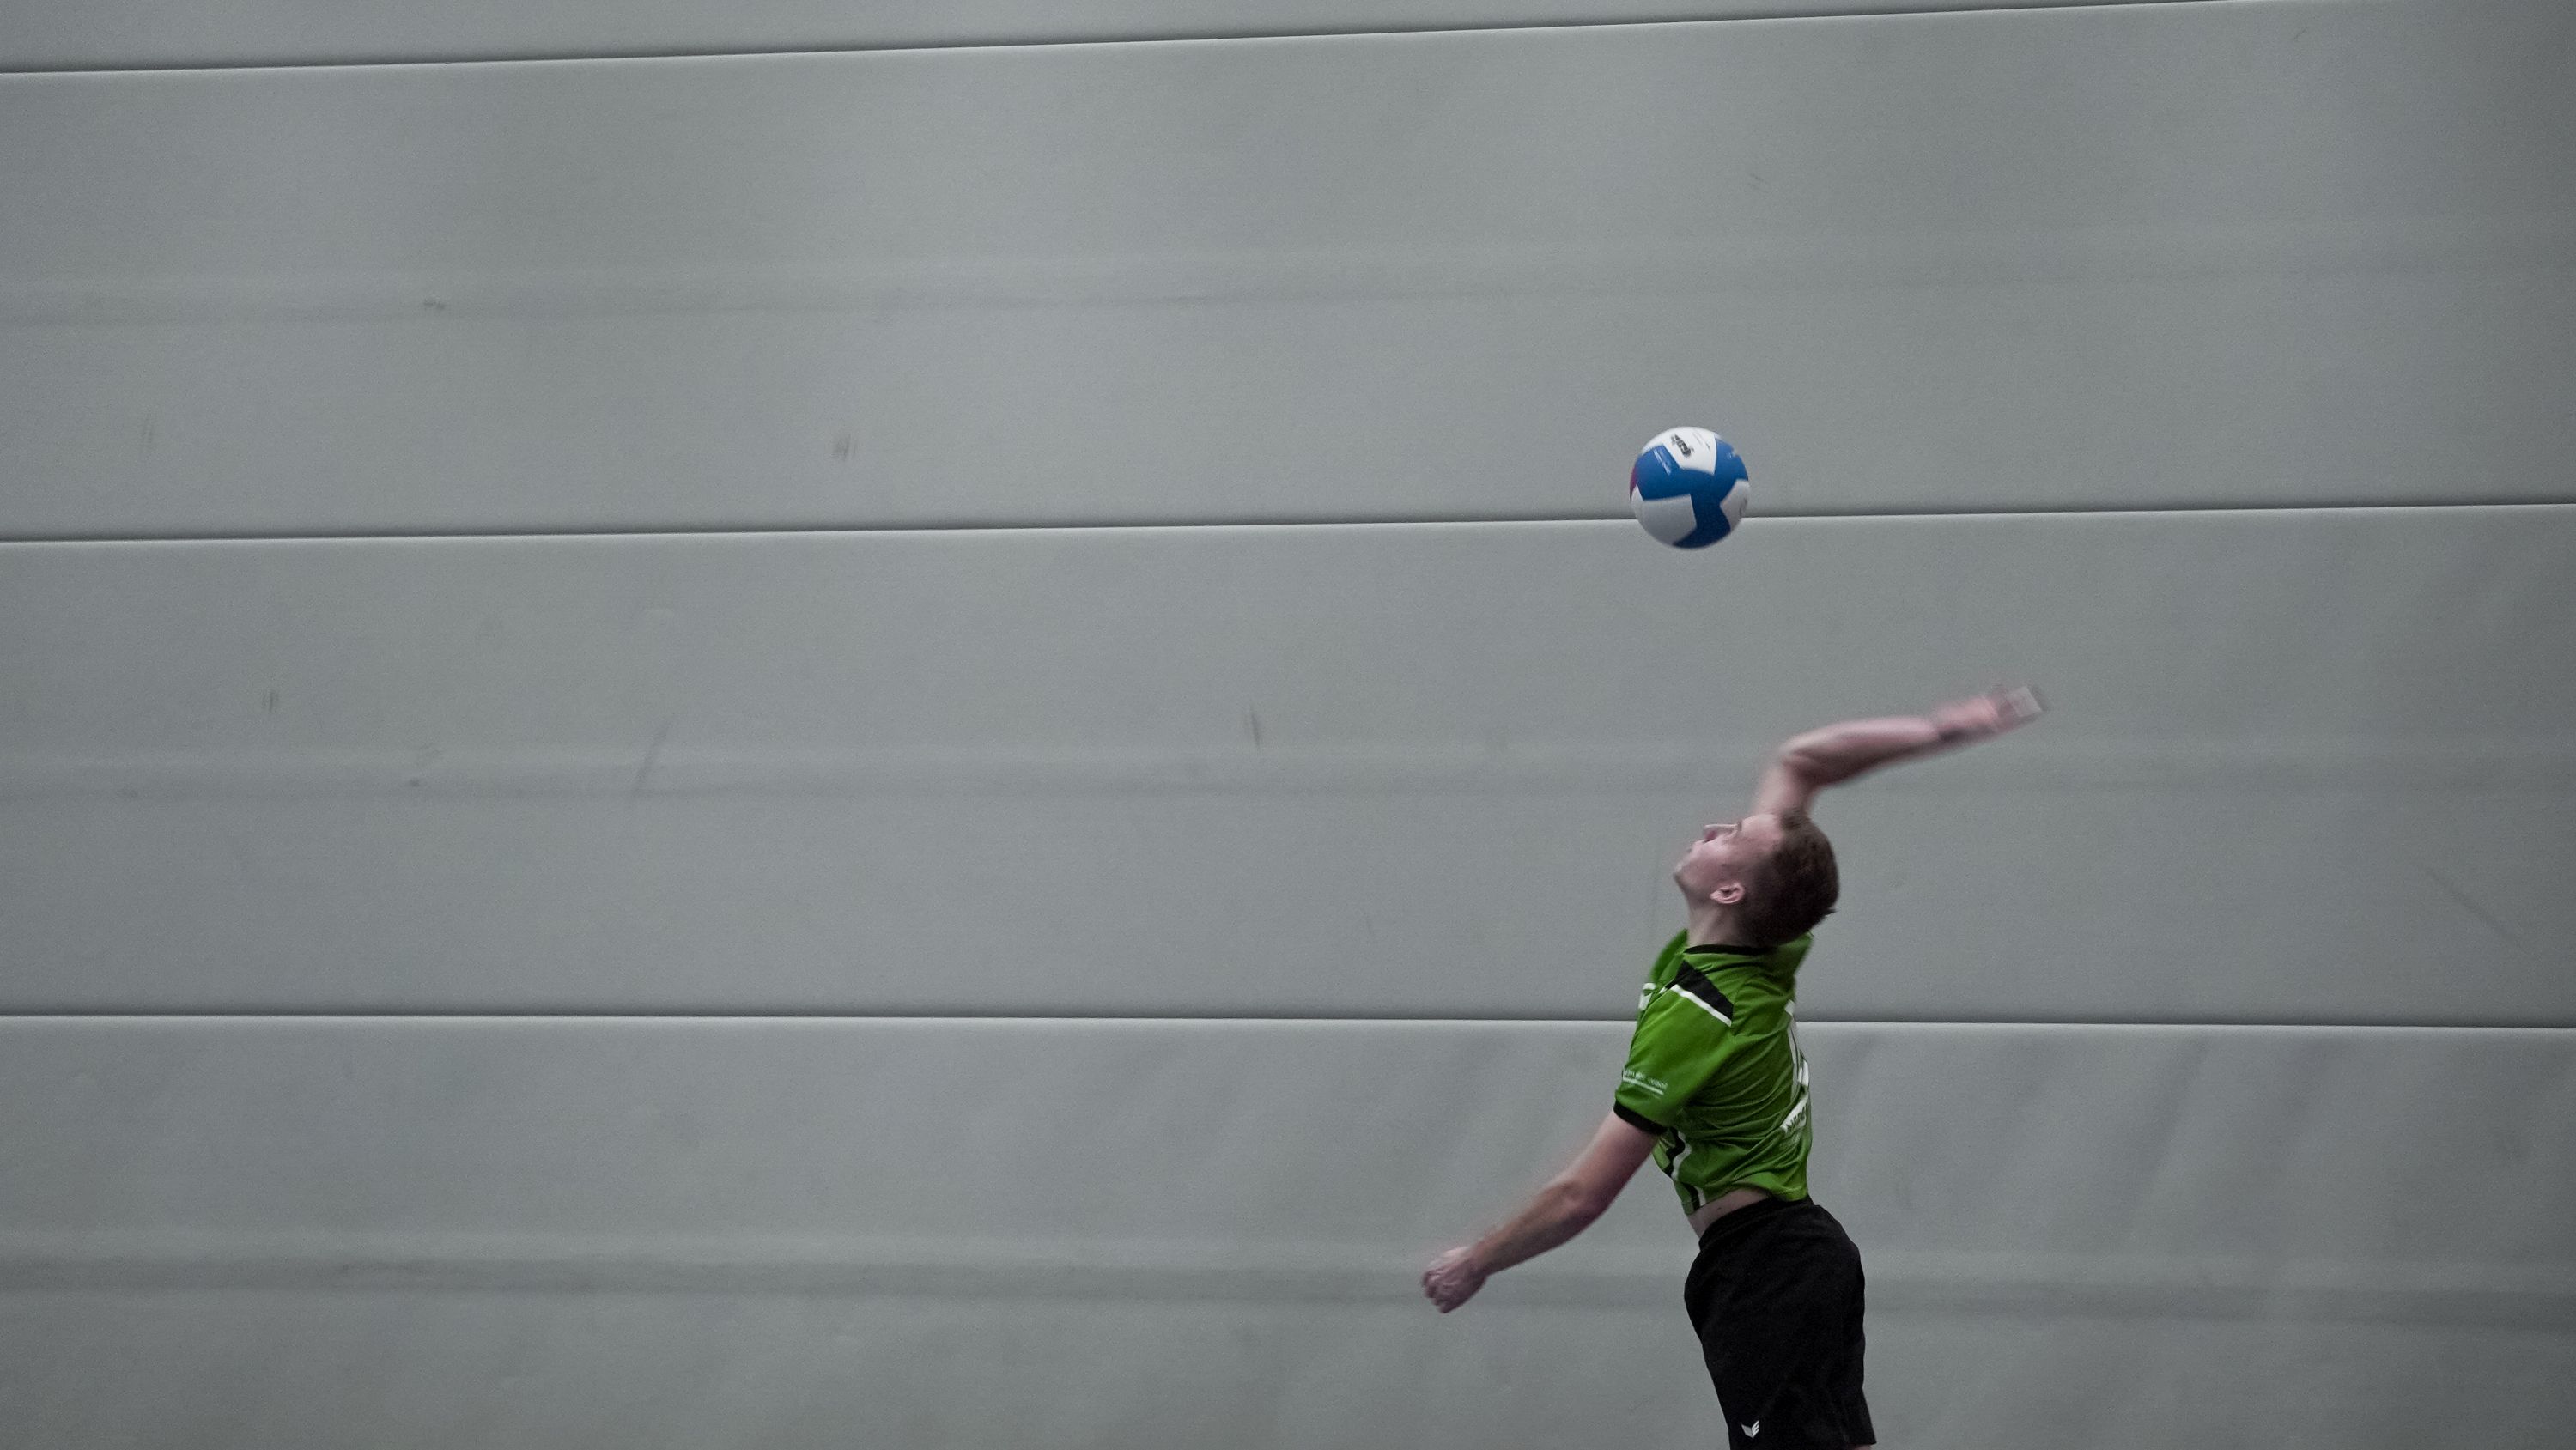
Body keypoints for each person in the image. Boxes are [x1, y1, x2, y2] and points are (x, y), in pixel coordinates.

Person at [1421, 687, 2046, 1450]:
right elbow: (1801, 762)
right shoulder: (1766, 946)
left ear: (1729, 889)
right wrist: (1939, 729)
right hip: (1797, 1257)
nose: (1715, 825)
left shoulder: (1700, 1013)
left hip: (1768, 1269)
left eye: (1733, 835)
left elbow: (1582, 1194)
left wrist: (1476, 1262)